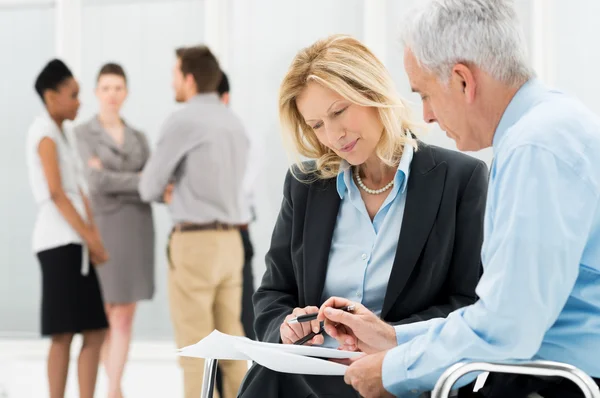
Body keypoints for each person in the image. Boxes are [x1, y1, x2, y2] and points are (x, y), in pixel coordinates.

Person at [319, 1, 600, 397]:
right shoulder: (547, 126)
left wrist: (395, 370)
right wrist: (395, 338)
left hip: (560, 382)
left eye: (426, 94)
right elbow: (501, 313)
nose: (427, 116)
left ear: (463, 80)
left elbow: (508, 326)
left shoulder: (535, 148)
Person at [237, 34, 488, 398]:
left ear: (372, 92)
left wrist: (387, 333)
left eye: (338, 112)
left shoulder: (460, 179)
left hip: (397, 375)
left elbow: (468, 305)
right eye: (317, 125)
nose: (333, 135)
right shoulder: (306, 185)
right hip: (306, 376)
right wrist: (285, 326)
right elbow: (273, 293)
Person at [139, 46, 249, 398]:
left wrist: (170, 188)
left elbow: (148, 186)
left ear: (188, 78)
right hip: (231, 244)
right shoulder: (234, 121)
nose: (172, 81)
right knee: (233, 347)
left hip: (195, 244)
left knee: (195, 350)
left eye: (174, 74)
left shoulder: (183, 119)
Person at [27, 59, 108, 398]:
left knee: (94, 329)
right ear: (51, 96)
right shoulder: (43, 132)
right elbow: (57, 193)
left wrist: (92, 236)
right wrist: (90, 238)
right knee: (63, 332)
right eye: (73, 94)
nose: (79, 101)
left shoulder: (66, 134)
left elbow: (80, 193)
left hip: (77, 244)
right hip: (59, 243)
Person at [75, 63, 155, 398]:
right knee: (103, 314)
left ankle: (112, 388)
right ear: (96, 92)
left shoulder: (139, 137)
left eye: (118, 88)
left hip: (136, 229)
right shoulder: (81, 134)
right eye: (106, 88)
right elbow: (94, 182)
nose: (112, 94)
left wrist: (118, 178)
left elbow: (151, 184)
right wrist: (135, 180)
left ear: (126, 92)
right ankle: (113, 386)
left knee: (124, 314)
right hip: (103, 227)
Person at [216, 71, 258, 341]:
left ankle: (244, 383)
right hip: (206, 238)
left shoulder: (242, 135)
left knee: (242, 320)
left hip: (234, 233)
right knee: (208, 326)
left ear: (225, 98)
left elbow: (239, 192)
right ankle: (214, 385)